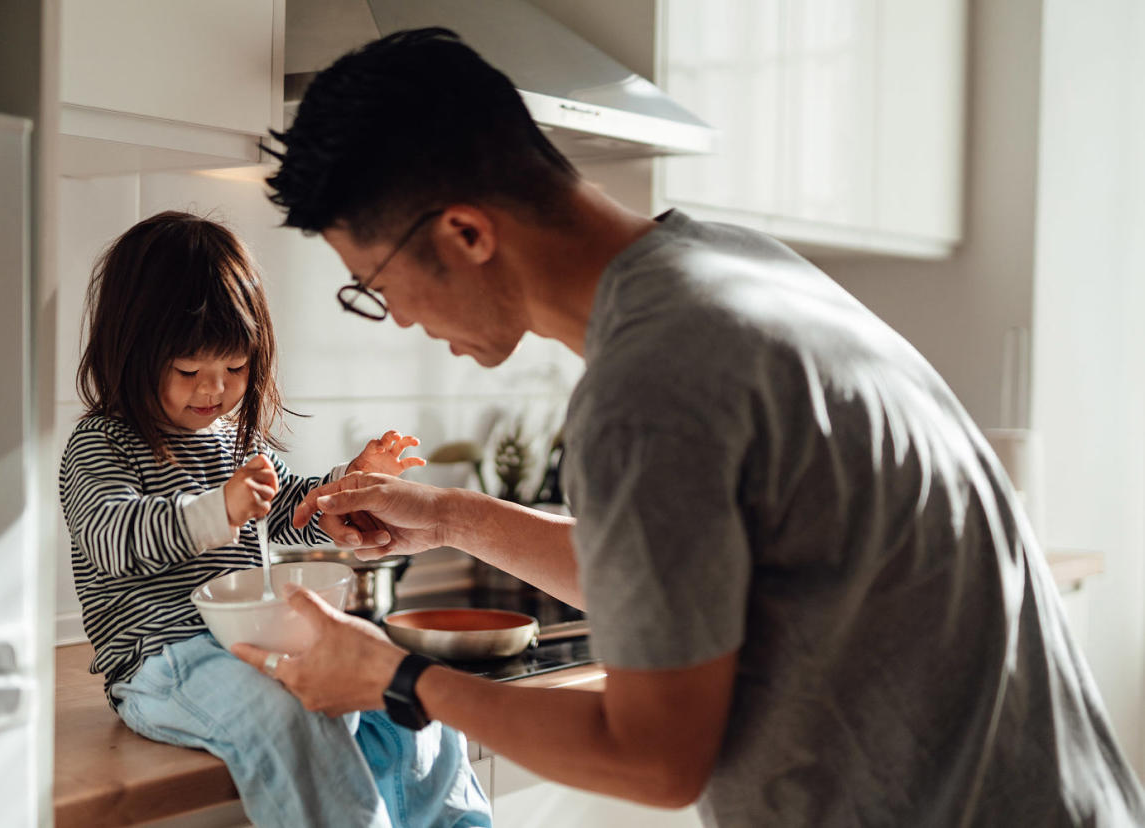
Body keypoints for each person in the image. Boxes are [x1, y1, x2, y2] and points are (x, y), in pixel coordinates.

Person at [238, 26, 1145, 828]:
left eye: (378, 284)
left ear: (468, 233)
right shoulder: (735, 266)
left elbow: (654, 758)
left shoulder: (652, 382)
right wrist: (450, 518)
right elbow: (686, 583)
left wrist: (391, 680)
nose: (395, 317)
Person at [58, 210, 491, 828]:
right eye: (188, 371)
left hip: (251, 645)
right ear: (130, 352)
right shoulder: (102, 442)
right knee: (288, 716)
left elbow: (287, 506)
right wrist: (220, 509)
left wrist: (345, 491)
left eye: (234, 369)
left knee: (402, 691)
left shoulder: (230, 438)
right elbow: (112, 537)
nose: (214, 390)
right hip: (160, 661)